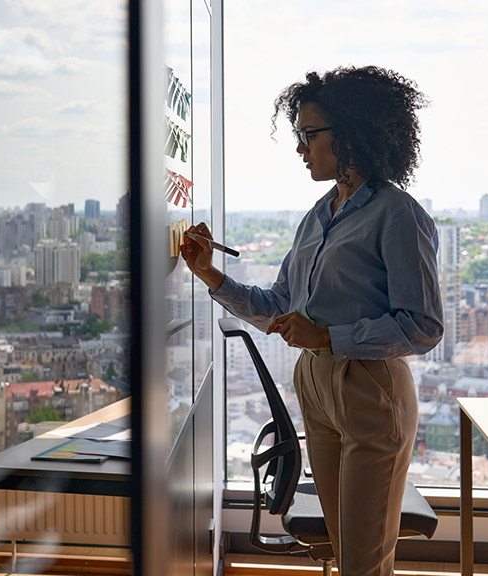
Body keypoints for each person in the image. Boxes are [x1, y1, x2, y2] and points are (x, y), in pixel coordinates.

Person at [181, 65, 443, 576]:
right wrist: (211, 275)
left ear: (348, 134)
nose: (301, 148)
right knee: (348, 552)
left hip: (370, 388)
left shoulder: (397, 214)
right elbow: (280, 302)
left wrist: (327, 335)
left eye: (309, 134)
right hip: (317, 384)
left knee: (364, 560)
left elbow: (423, 325)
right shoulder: (318, 215)